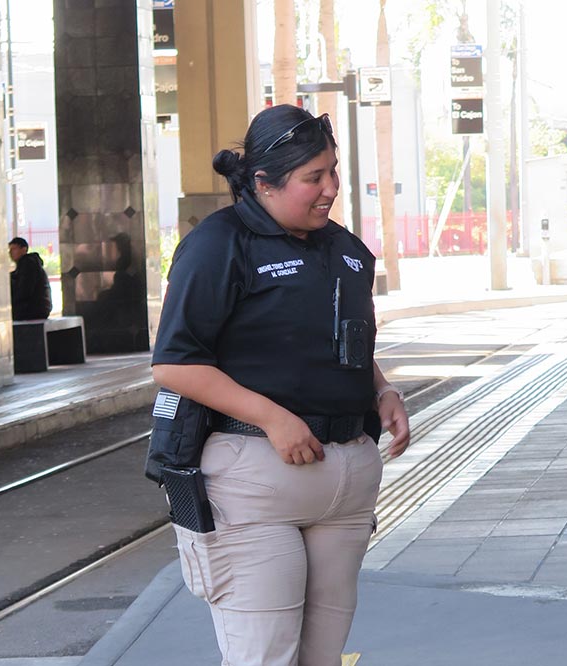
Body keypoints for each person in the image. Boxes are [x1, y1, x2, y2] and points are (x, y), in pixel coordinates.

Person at [151, 104, 411, 666]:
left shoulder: (341, 248)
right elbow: (174, 363)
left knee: (323, 657)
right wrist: (272, 417)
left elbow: (340, 338)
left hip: (343, 483)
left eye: (333, 172)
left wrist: (381, 390)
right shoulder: (218, 244)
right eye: (313, 178)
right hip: (255, 480)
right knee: (265, 657)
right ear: (263, 183)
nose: (330, 190)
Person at [8, 237, 52, 321]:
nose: (10, 252)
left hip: (33, 309)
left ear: (23, 249)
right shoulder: (26, 265)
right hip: (39, 309)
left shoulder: (29, 265)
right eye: (10, 250)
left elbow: (24, 290)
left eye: (14, 249)